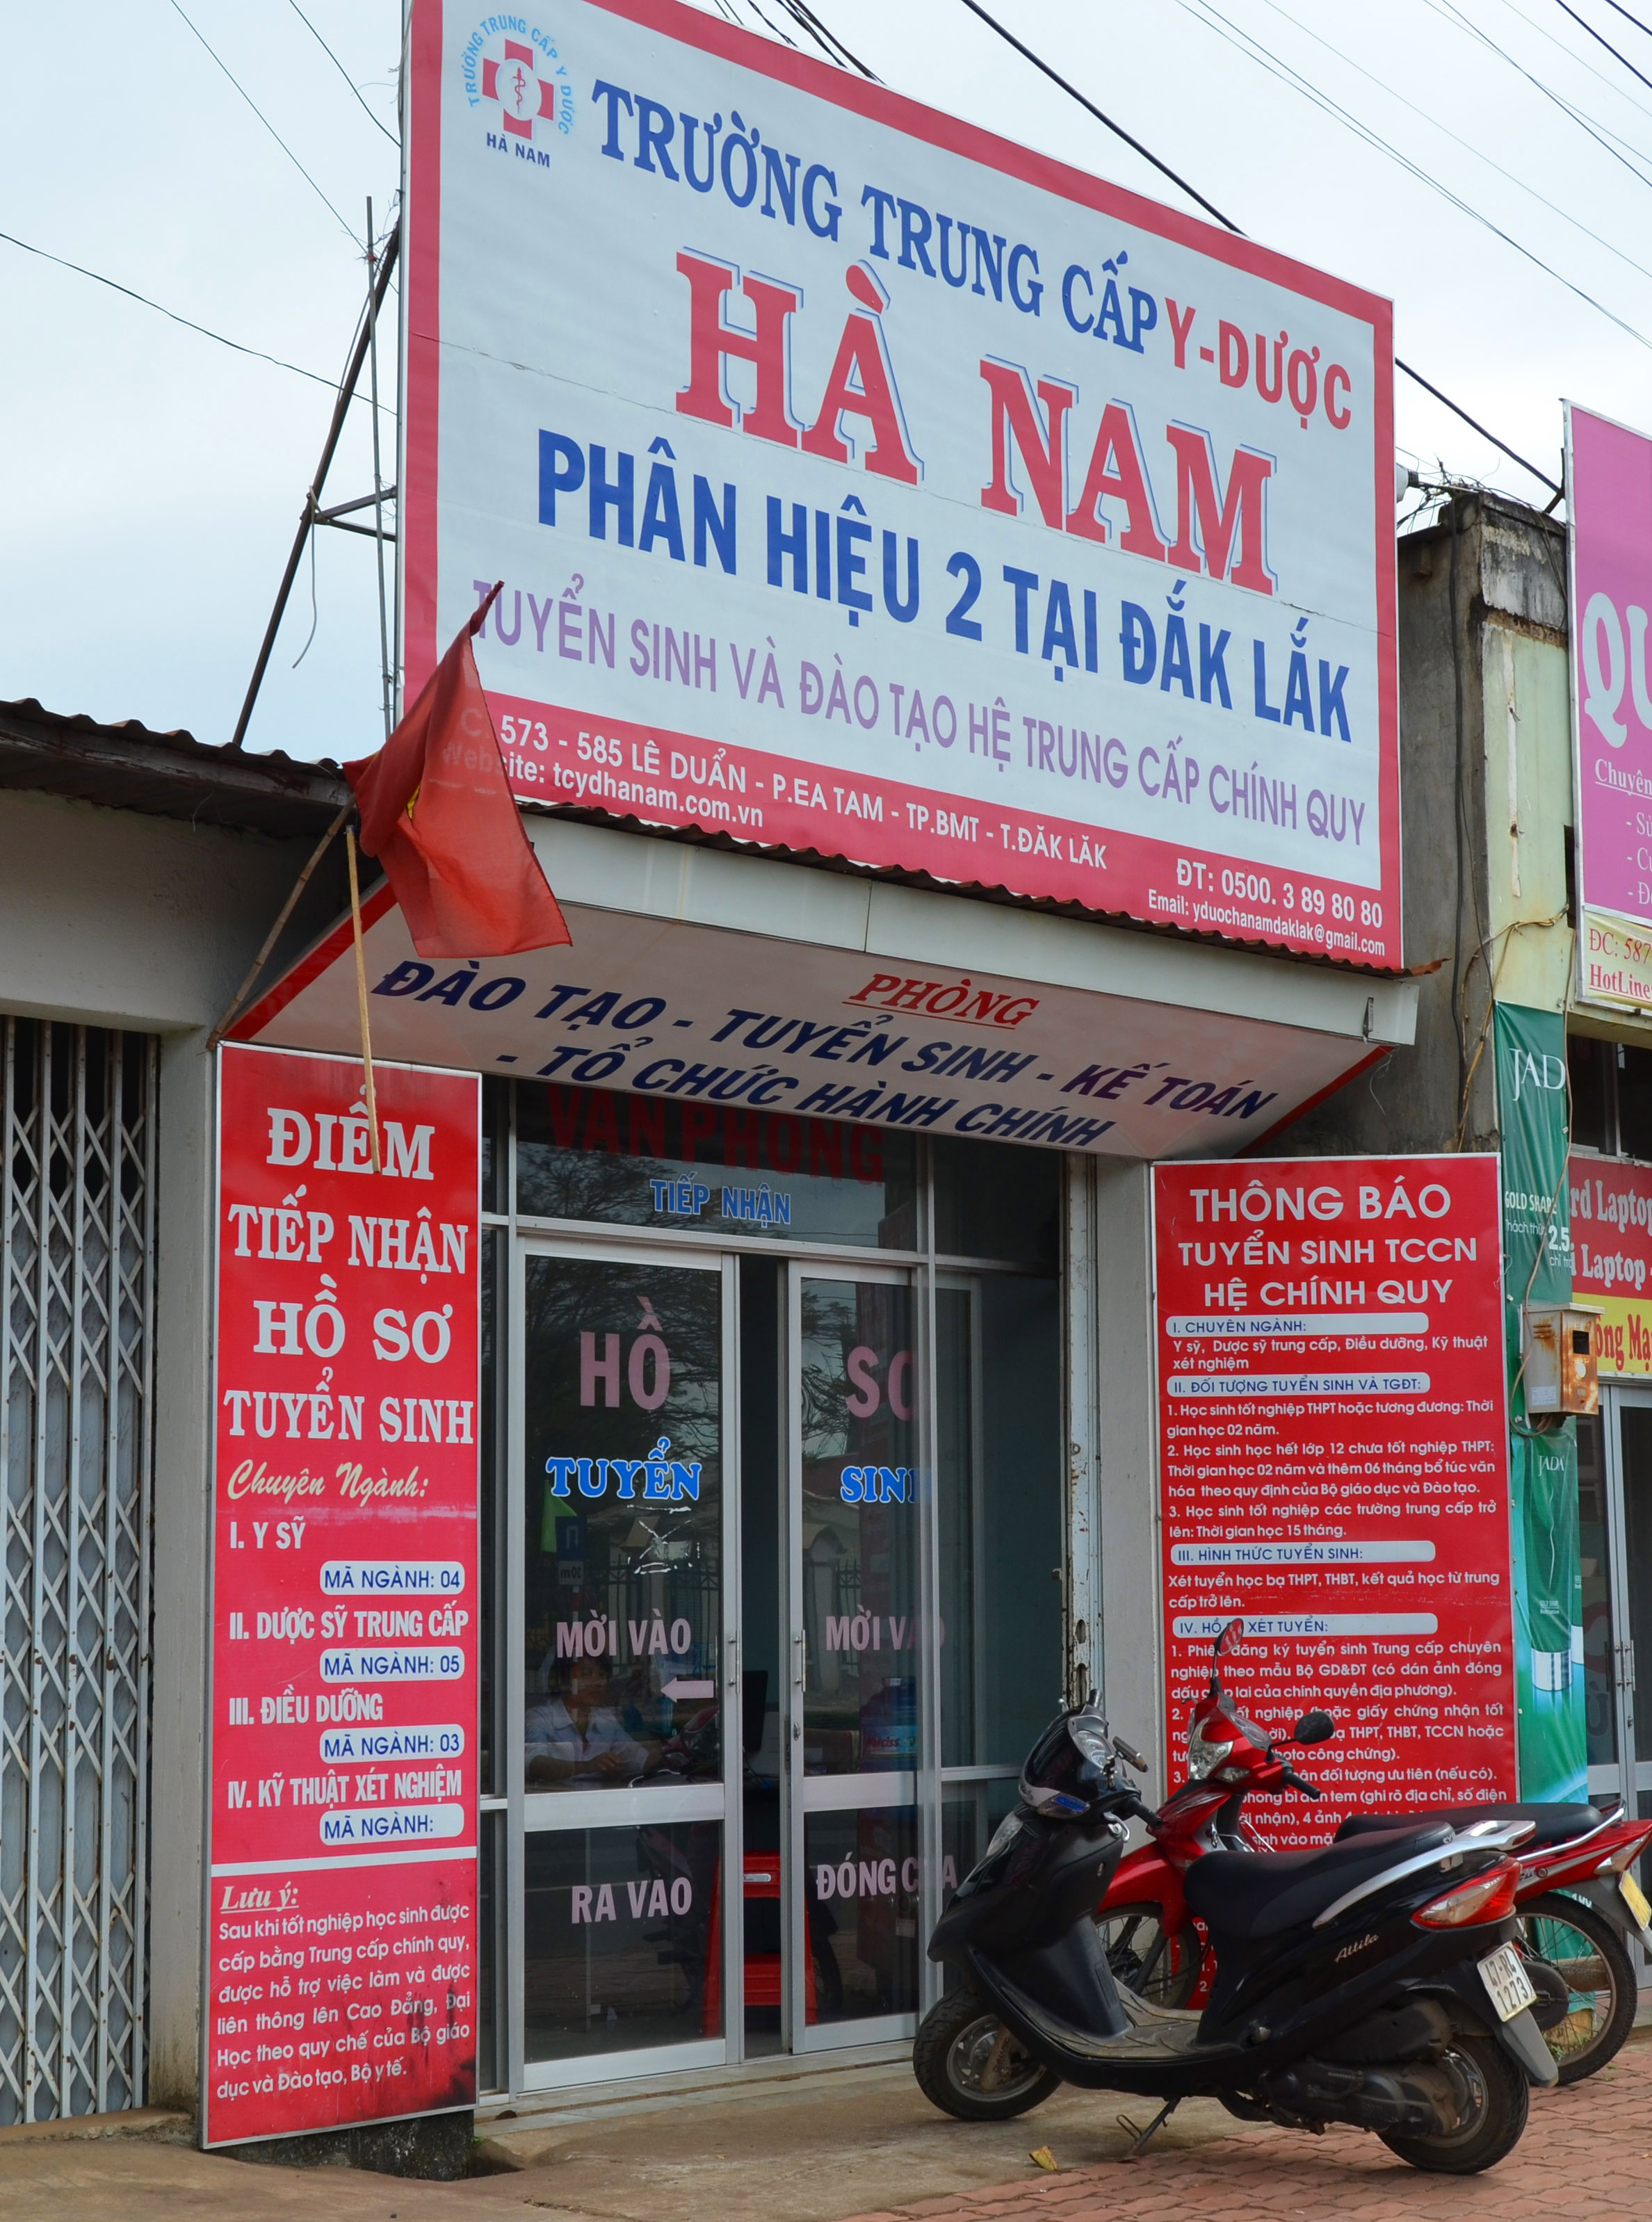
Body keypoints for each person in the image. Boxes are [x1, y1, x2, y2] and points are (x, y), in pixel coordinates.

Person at [525, 1654, 652, 1785]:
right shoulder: (540, 1717)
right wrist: (586, 1767)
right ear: (563, 1682)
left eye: (602, 1675)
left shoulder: (605, 1719)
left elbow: (640, 1759)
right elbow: (533, 1763)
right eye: (586, 1674)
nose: (597, 1682)